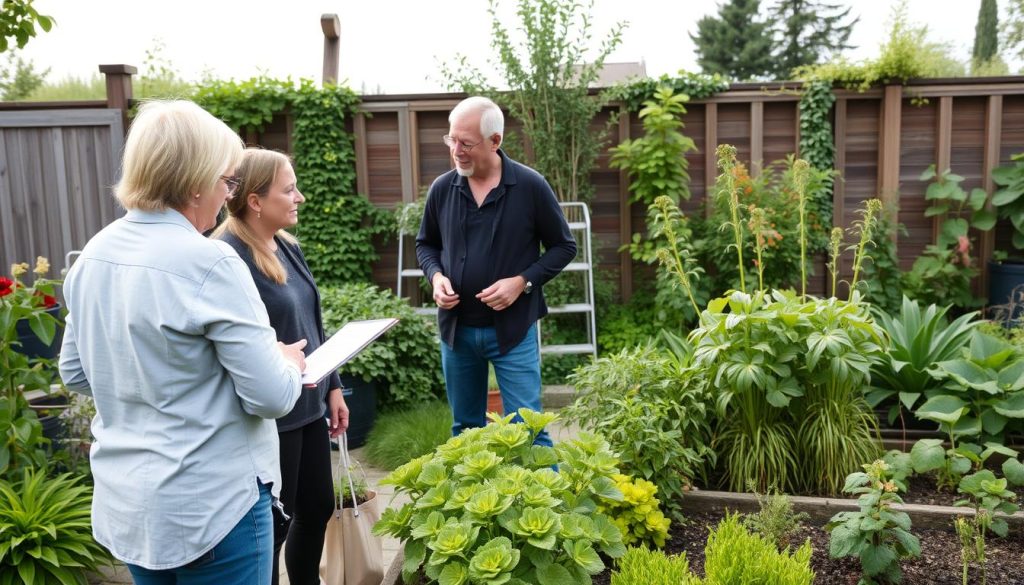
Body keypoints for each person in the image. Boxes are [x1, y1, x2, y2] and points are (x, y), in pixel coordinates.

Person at [58, 100, 310, 585]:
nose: (227, 195)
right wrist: (285, 361)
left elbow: (75, 371)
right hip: (214, 507)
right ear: (196, 181)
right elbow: (272, 397)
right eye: (227, 182)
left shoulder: (95, 254)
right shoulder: (211, 262)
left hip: (131, 505)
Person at [213, 148, 348, 585]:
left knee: (317, 507)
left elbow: (312, 322)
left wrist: (334, 388)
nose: (300, 197)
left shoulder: (286, 245)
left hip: (309, 404)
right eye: (289, 189)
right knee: (273, 528)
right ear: (255, 200)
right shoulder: (226, 257)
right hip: (273, 417)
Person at [416, 96, 577, 447]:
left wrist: (522, 282)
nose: (456, 150)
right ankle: (473, 502)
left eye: (466, 143)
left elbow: (565, 247)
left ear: (495, 141)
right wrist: (436, 277)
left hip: (513, 331)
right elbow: (425, 245)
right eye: (451, 140)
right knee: (465, 433)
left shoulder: (530, 187)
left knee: (529, 433)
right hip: (457, 332)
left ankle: (543, 502)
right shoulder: (443, 189)